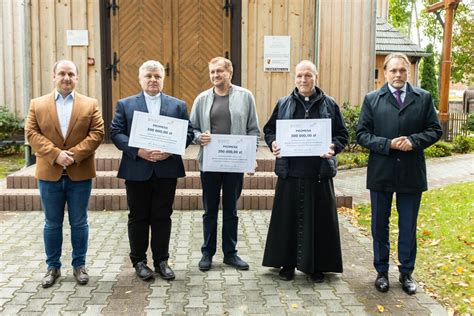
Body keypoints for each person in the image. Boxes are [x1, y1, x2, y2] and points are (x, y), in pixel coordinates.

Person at [357, 53, 442, 295]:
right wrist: (388, 144)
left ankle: (406, 273)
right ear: (384, 73)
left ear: (408, 72)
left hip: (410, 174)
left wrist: (414, 141)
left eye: (402, 71)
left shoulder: (423, 98)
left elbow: (435, 130)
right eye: (392, 70)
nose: (397, 75)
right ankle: (381, 272)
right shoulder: (372, 99)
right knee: (379, 225)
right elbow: (362, 134)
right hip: (381, 172)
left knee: (407, 225)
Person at [262, 60, 348, 282]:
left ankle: (316, 266)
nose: (303, 80)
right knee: (287, 221)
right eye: (299, 76)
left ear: (316, 77)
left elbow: (342, 134)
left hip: (318, 173)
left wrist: (334, 147)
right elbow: (269, 130)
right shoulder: (283, 103)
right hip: (290, 172)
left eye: (308, 75)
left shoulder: (330, 104)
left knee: (319, 221)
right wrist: (272, 143)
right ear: (295, 78)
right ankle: (287, 264)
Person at [110, 60, 193, 281]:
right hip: (137, 169)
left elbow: (188, 133)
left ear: (163, 79)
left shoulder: (178, 105)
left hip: (166, 169)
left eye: (157, 76)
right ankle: (138, 261)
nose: (153, 80)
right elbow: (116, 132)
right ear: (140, 79)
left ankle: (161, 261)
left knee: (163, 216)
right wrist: (137, 151)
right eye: (149, 76)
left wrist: (170, 150)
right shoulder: (125, 104)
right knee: (138, 217)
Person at [25, 60, 104, 288]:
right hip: (49, 173)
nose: (66, 78)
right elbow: (31, 133)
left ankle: (79, 265)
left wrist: (75, 154)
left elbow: (97, 133)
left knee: (79, 222)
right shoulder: (37, 104)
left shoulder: (90, 104)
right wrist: (56, 155)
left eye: (71, 74)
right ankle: (53, 267)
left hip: (80, 173)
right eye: (62, 73)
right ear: (54, 76)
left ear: (77, 78)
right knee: (52, 223)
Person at [190, 56, 260, 271]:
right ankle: (207, 253)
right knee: (210, 210)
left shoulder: (245, 96)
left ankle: (230, 254)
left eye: (219, 71)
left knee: (231, 210)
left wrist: (250, 157)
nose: (215, 75)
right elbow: (191, 129)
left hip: (234, 164)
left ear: (230, 72)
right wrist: (199, 137)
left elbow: (253, 130)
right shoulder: (202, 98)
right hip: (210, 163)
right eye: (212, 72)